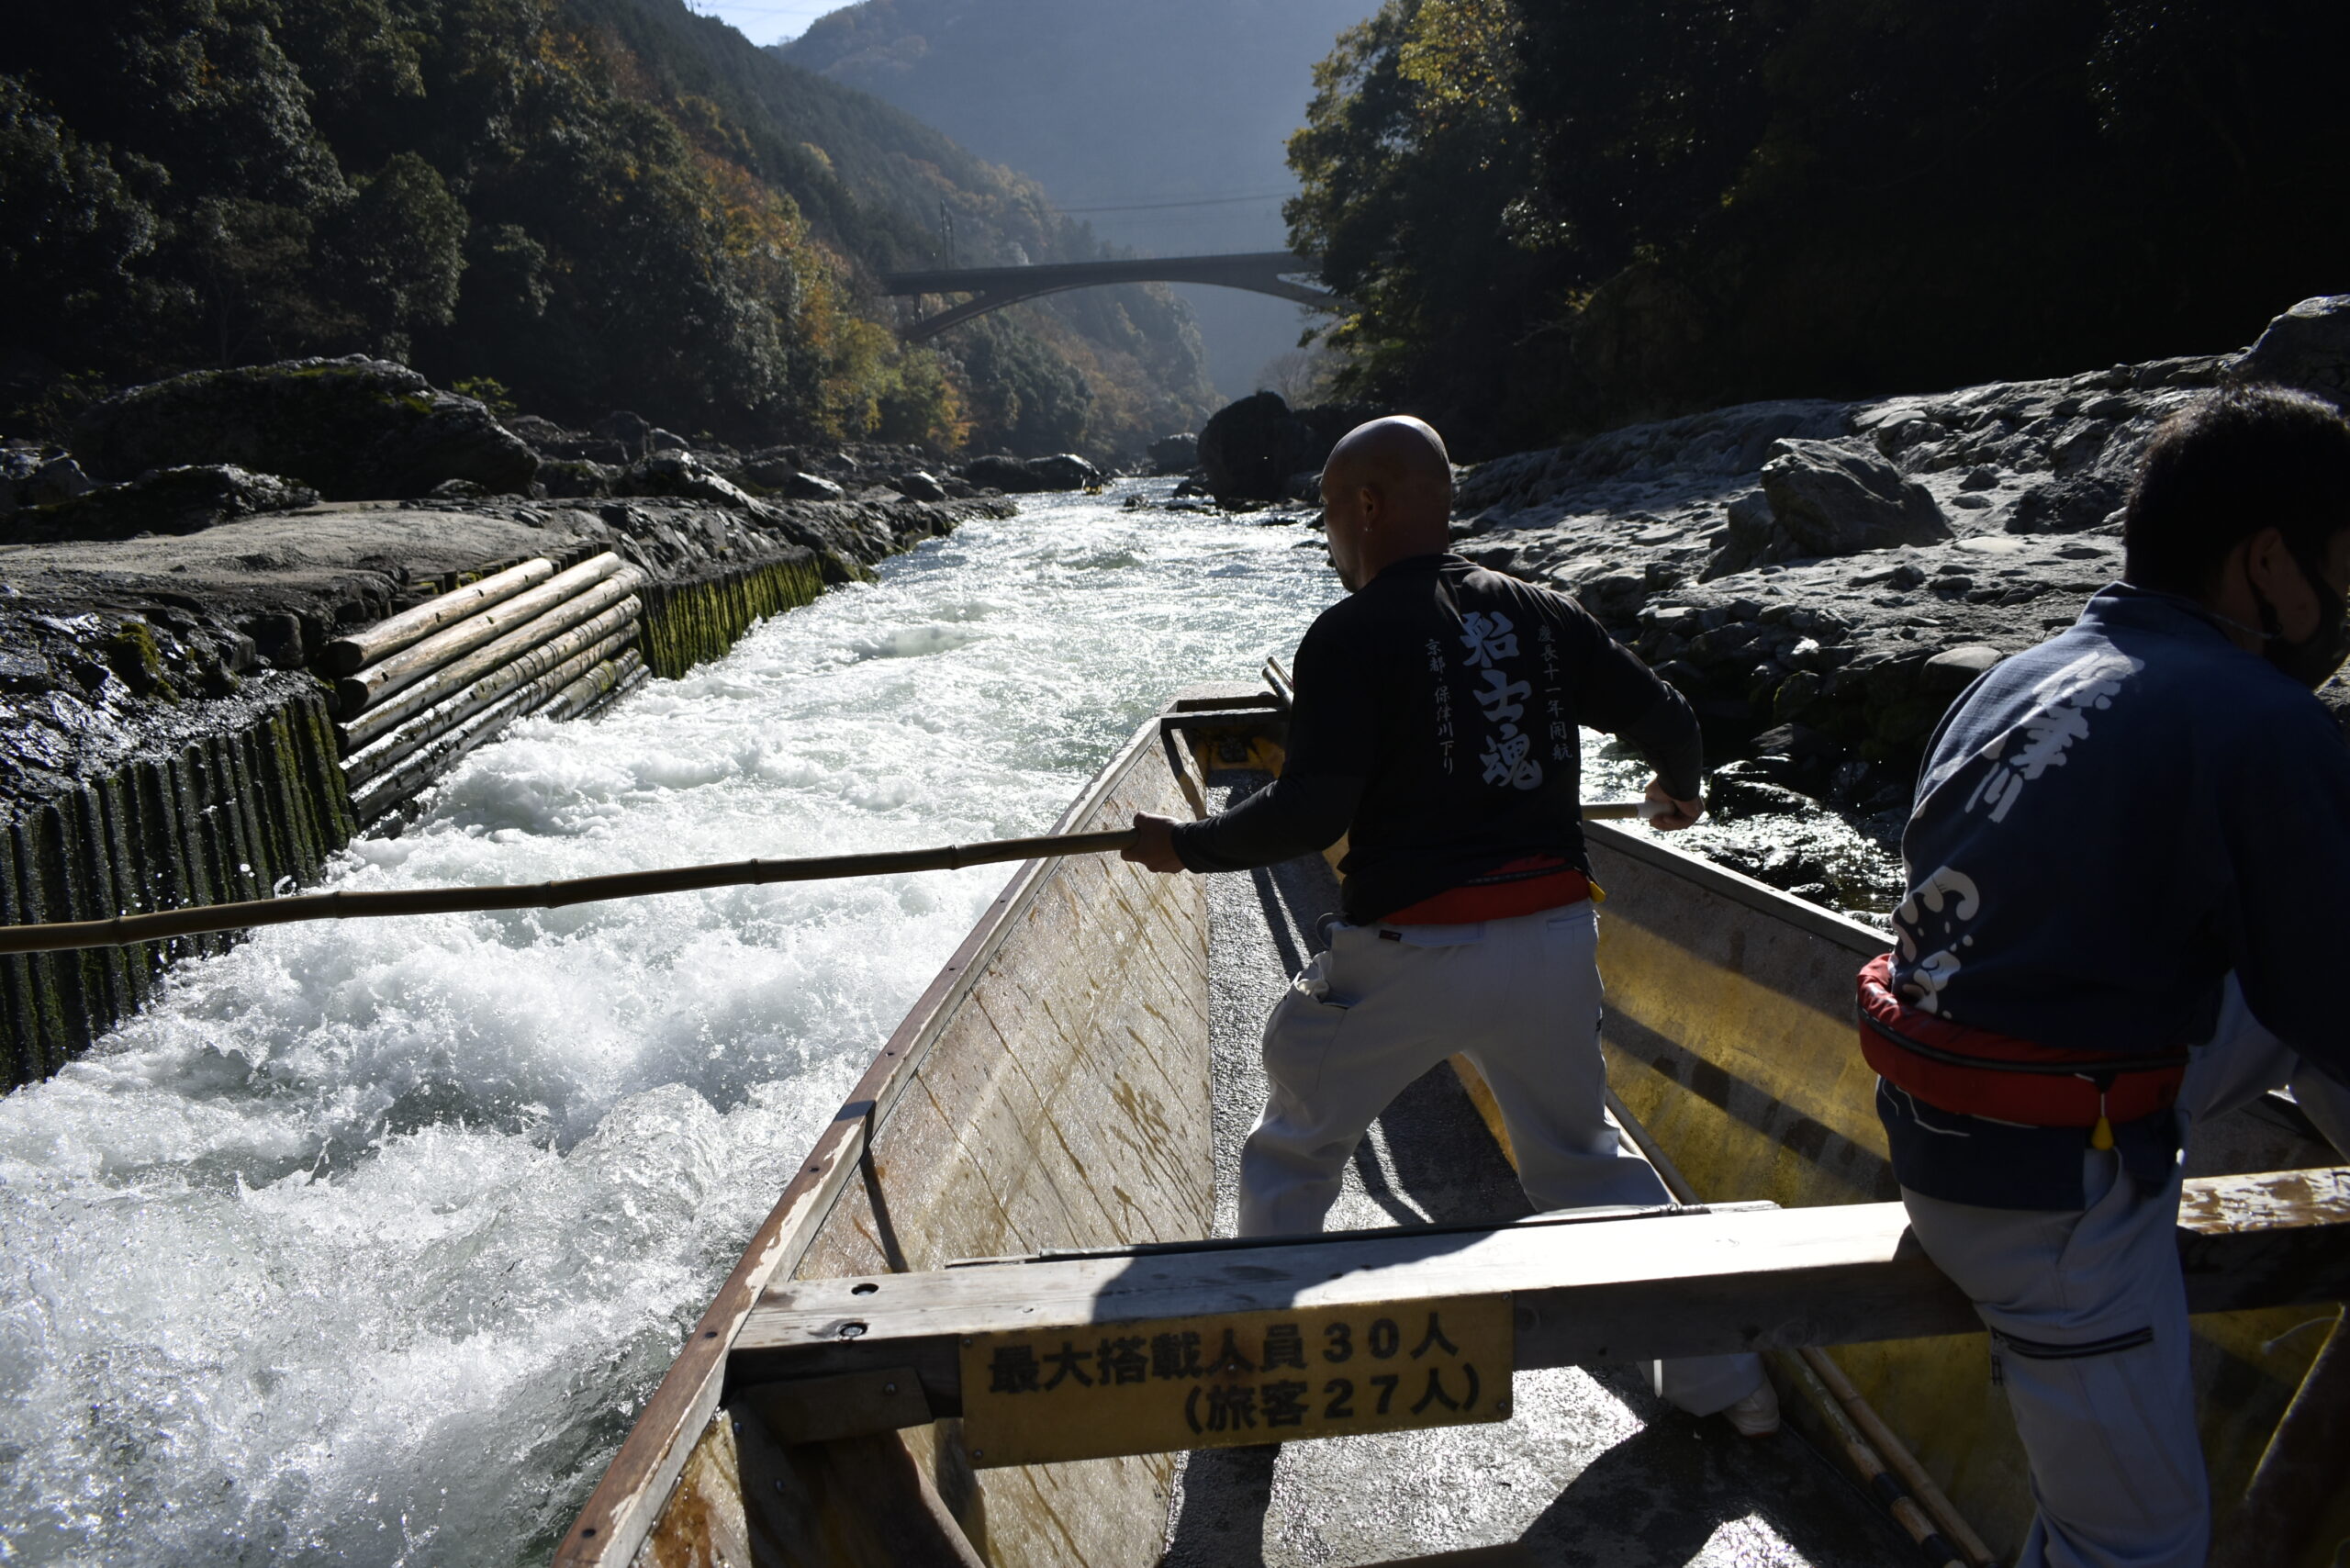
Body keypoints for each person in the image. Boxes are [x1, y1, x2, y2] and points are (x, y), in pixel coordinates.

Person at [1124, 414, 1777, 1435]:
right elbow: (1672, 723)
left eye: (1330, 513)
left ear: (1369, 507)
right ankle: (1723, 1387)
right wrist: (1677, 788)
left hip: (1411, 954)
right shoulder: (1545, 613)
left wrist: (1186, 845)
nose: (1330, 536)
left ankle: (1255, 1391)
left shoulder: (1348, 636)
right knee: (1583, 1162)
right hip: (1556, 940)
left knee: (1296, 1146)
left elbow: (1310, 815)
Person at [1862, 384, 2350, 1568]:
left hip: (1945, 1114)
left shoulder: (2021, 674)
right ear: (2269, 562)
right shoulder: (2263, 718)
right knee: (2137, 1543)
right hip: (2048, 1207)